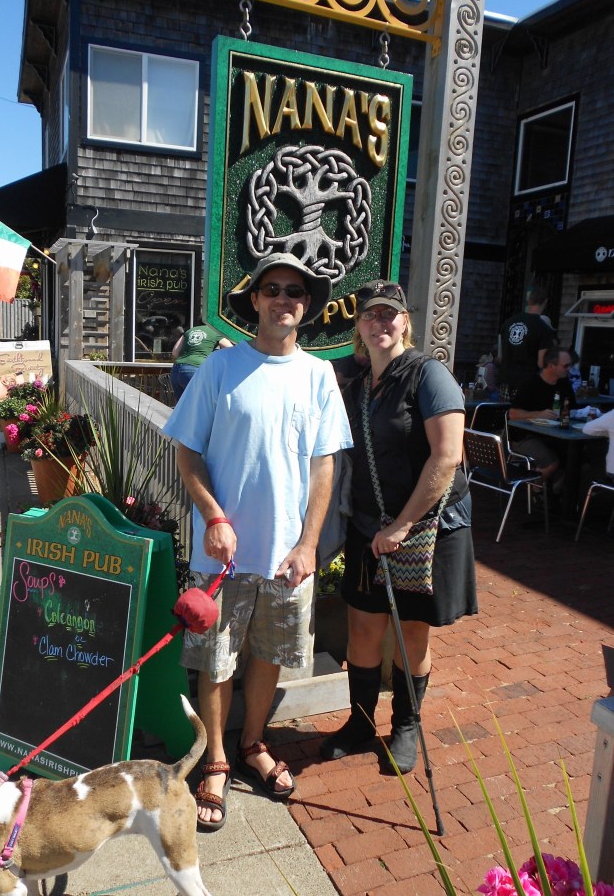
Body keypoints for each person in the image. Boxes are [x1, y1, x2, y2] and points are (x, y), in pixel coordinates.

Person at [163, 252, 352, 831]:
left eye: (295, 291)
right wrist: (215, 516)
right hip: (221, 555)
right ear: (255, 299)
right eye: (272, 288)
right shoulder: (219, 371)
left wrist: (308, 543)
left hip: (286, 557)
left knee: (269, 653)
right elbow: (186, 451)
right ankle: (215, 760)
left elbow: (324, 468)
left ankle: (252, 744)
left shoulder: (320, 376)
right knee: (215, 661)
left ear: (307, 305)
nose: (283, 299)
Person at [319, 280, 477, 773]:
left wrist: (404, 525)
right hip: (370, 526)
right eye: (370, 316)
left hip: (427, 527)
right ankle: (361, 722)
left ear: (405, 321)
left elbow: (447, 457)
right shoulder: (359, 378)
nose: (380, 323)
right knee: (362, 628)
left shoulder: (429, 376)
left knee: (411, 634)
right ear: (358, 328)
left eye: (390, 315)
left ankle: (405, 725)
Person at [508, 347, 578, 486]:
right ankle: (536, 491)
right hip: (524, 437)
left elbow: (572, 408)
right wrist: (538, 414)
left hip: (555, 435)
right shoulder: (530, 383)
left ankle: (557, 493)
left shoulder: (564, 383)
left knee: (579, 460)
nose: (569, 369)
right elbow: (513, 414)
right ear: (551, 366)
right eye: (566, 365)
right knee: (551, 463)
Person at [497, 285, 556, 398]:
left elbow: (500, 357)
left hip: (505, 381)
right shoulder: (544, 329)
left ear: (529, 301)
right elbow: (541, 362)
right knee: (524, 415)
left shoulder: (508, 322)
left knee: (505, 414)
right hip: (528, 384)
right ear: (545, 301)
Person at [170, 322, 234, 402]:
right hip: (194, 370)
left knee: (181, 408)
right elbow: (231, 350)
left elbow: (175, 352)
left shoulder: (190, 330)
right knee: (200, 406)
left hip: (176, 370)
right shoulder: (217, 332)